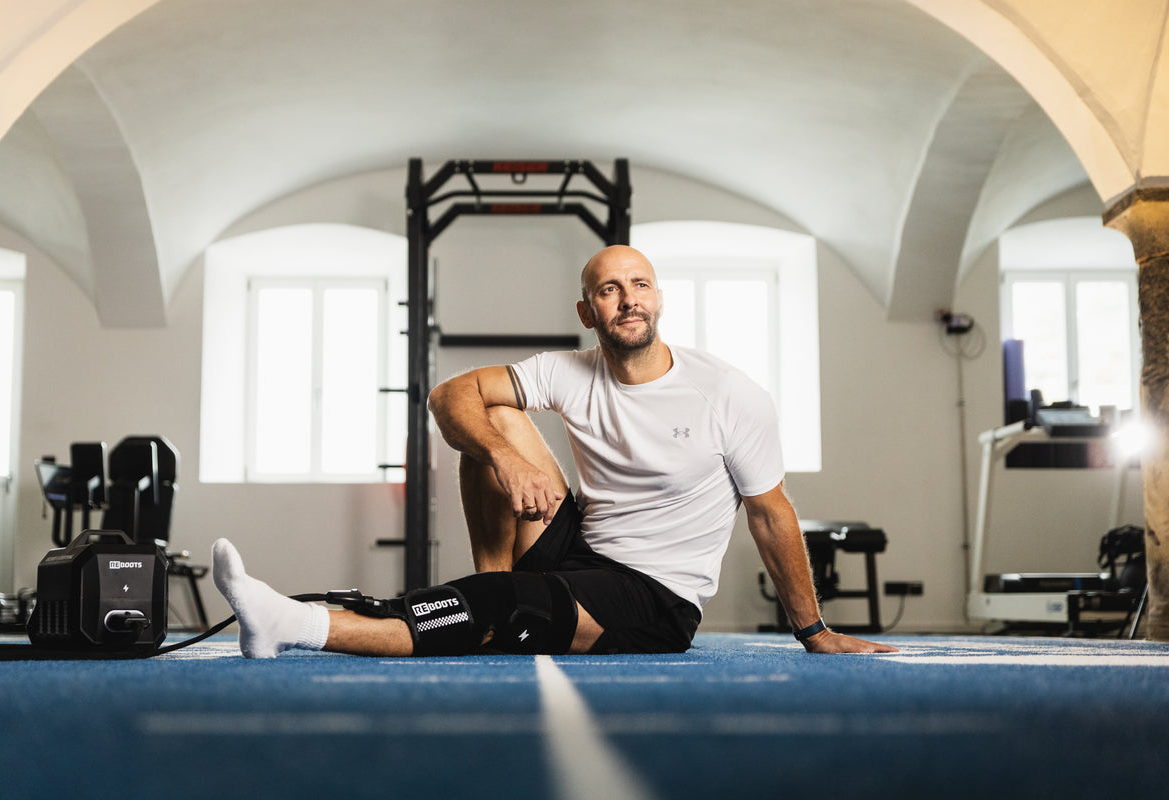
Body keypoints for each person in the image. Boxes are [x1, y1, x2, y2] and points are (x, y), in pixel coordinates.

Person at [212, 244, 896, 657]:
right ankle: (490, 593)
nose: (627, 300)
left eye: (639, 285)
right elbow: (450, 395)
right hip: (579, 552)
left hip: (654, 597)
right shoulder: (570, 371)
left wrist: (813, 630)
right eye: (608, 289)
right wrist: (505, 459)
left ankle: (294, 625)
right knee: (492, 423)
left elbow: (770, 513)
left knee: (509, 603)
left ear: (657, 298)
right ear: (587, 311)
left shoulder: (726, 394)